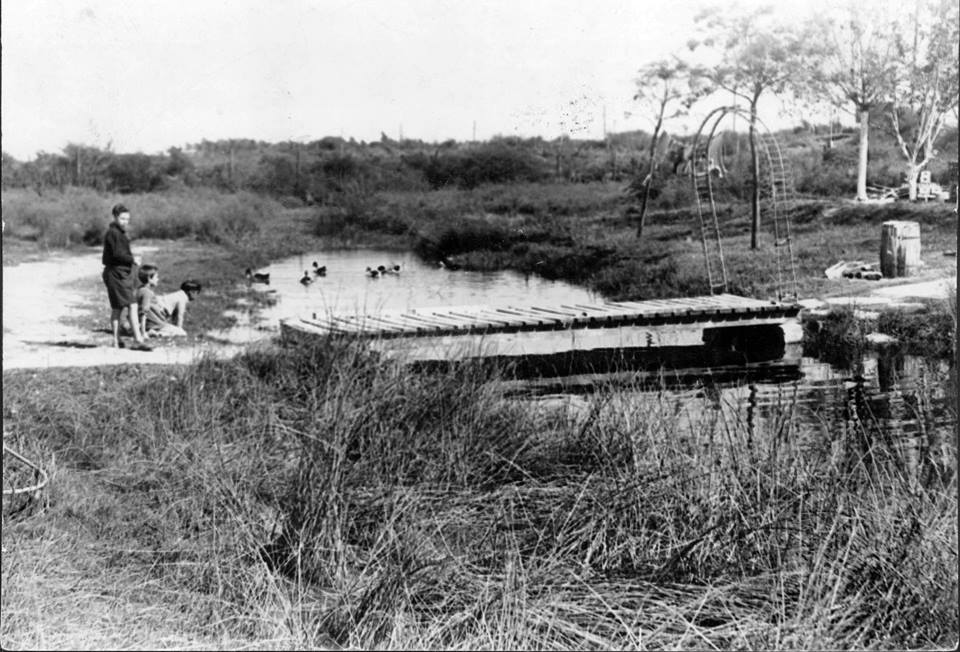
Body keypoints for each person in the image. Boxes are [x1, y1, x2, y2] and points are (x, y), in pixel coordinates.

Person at [102, 204, 150, 349]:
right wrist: (132, 259)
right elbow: (116, 254)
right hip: (116, 274)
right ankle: (138, 340)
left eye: (127, 219)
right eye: (122, 218)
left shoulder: (118, 232)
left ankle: (117, 341)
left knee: (118, 308)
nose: (125, 221)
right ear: (115, 217)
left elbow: (118, 253)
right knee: (132, 305)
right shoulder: (113, 233)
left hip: (120, 273)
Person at [137, 265, 201, 337]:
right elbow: (179, 316)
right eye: (156, 277)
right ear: (192, 292)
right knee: (182, 333)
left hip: (151, 319)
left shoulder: (140, 290)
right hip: (156, 321)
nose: (158, 279)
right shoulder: (183, 297)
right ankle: (158, 333)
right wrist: (178, 328)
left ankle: (153, 331)